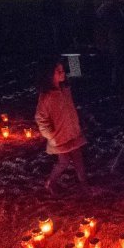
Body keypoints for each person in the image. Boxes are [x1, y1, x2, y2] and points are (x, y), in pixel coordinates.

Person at [35, 58, 87, 195]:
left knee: (78, 157)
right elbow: (41, 118)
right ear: (49, 75)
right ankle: (51, 182)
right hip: (59, 136)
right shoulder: (46, 97)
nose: (63, 73)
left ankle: (83, 183)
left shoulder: (65, 89)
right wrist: (50, 134)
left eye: (63, 70)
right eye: (59, 71)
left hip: (72, 131)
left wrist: (76, 123)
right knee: (64, 162)